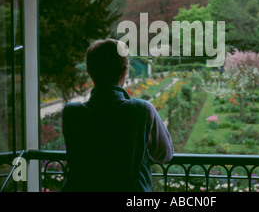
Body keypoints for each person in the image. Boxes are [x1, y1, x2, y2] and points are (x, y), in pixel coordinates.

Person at [61, 39, 174, 192]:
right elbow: (165, 153)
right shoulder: (141, 109)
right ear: (124, 71)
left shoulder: (71, 113)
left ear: (89, 72)